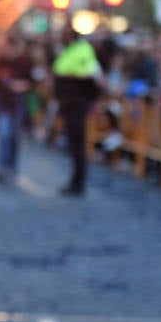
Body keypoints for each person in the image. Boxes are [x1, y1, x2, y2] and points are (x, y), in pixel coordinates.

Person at [52, 26, 102, 196]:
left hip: (76, 104)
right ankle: (75, 181)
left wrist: (72, 75)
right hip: (69, 103)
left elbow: (89, 73)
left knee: (77, 144)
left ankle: (78, 182)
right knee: (73, 145)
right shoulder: (72, 50)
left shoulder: (82, 50)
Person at [0, 33, 33, 185]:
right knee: (5, 135)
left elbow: (30, 83)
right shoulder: (0, 62)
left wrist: (19, 86)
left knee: (14, 137)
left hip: (17, 104)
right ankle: (2, 167)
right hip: (1, 104)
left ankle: (12, 166)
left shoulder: (24, 62)